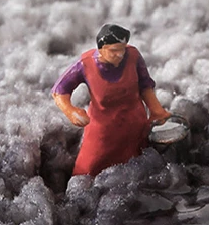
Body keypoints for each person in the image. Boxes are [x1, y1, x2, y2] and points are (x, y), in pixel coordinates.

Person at [52, 24, 170, 177]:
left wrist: (156, 110)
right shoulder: (85, 64)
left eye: (122, 49)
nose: (120, 54)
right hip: (103, 131)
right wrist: (70, 111)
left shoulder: (133, 56)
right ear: (101, 49)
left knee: (137, 168)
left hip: (134, 126)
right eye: (114, 50)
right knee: (86, 172)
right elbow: (59, 90)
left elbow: (145, 86)